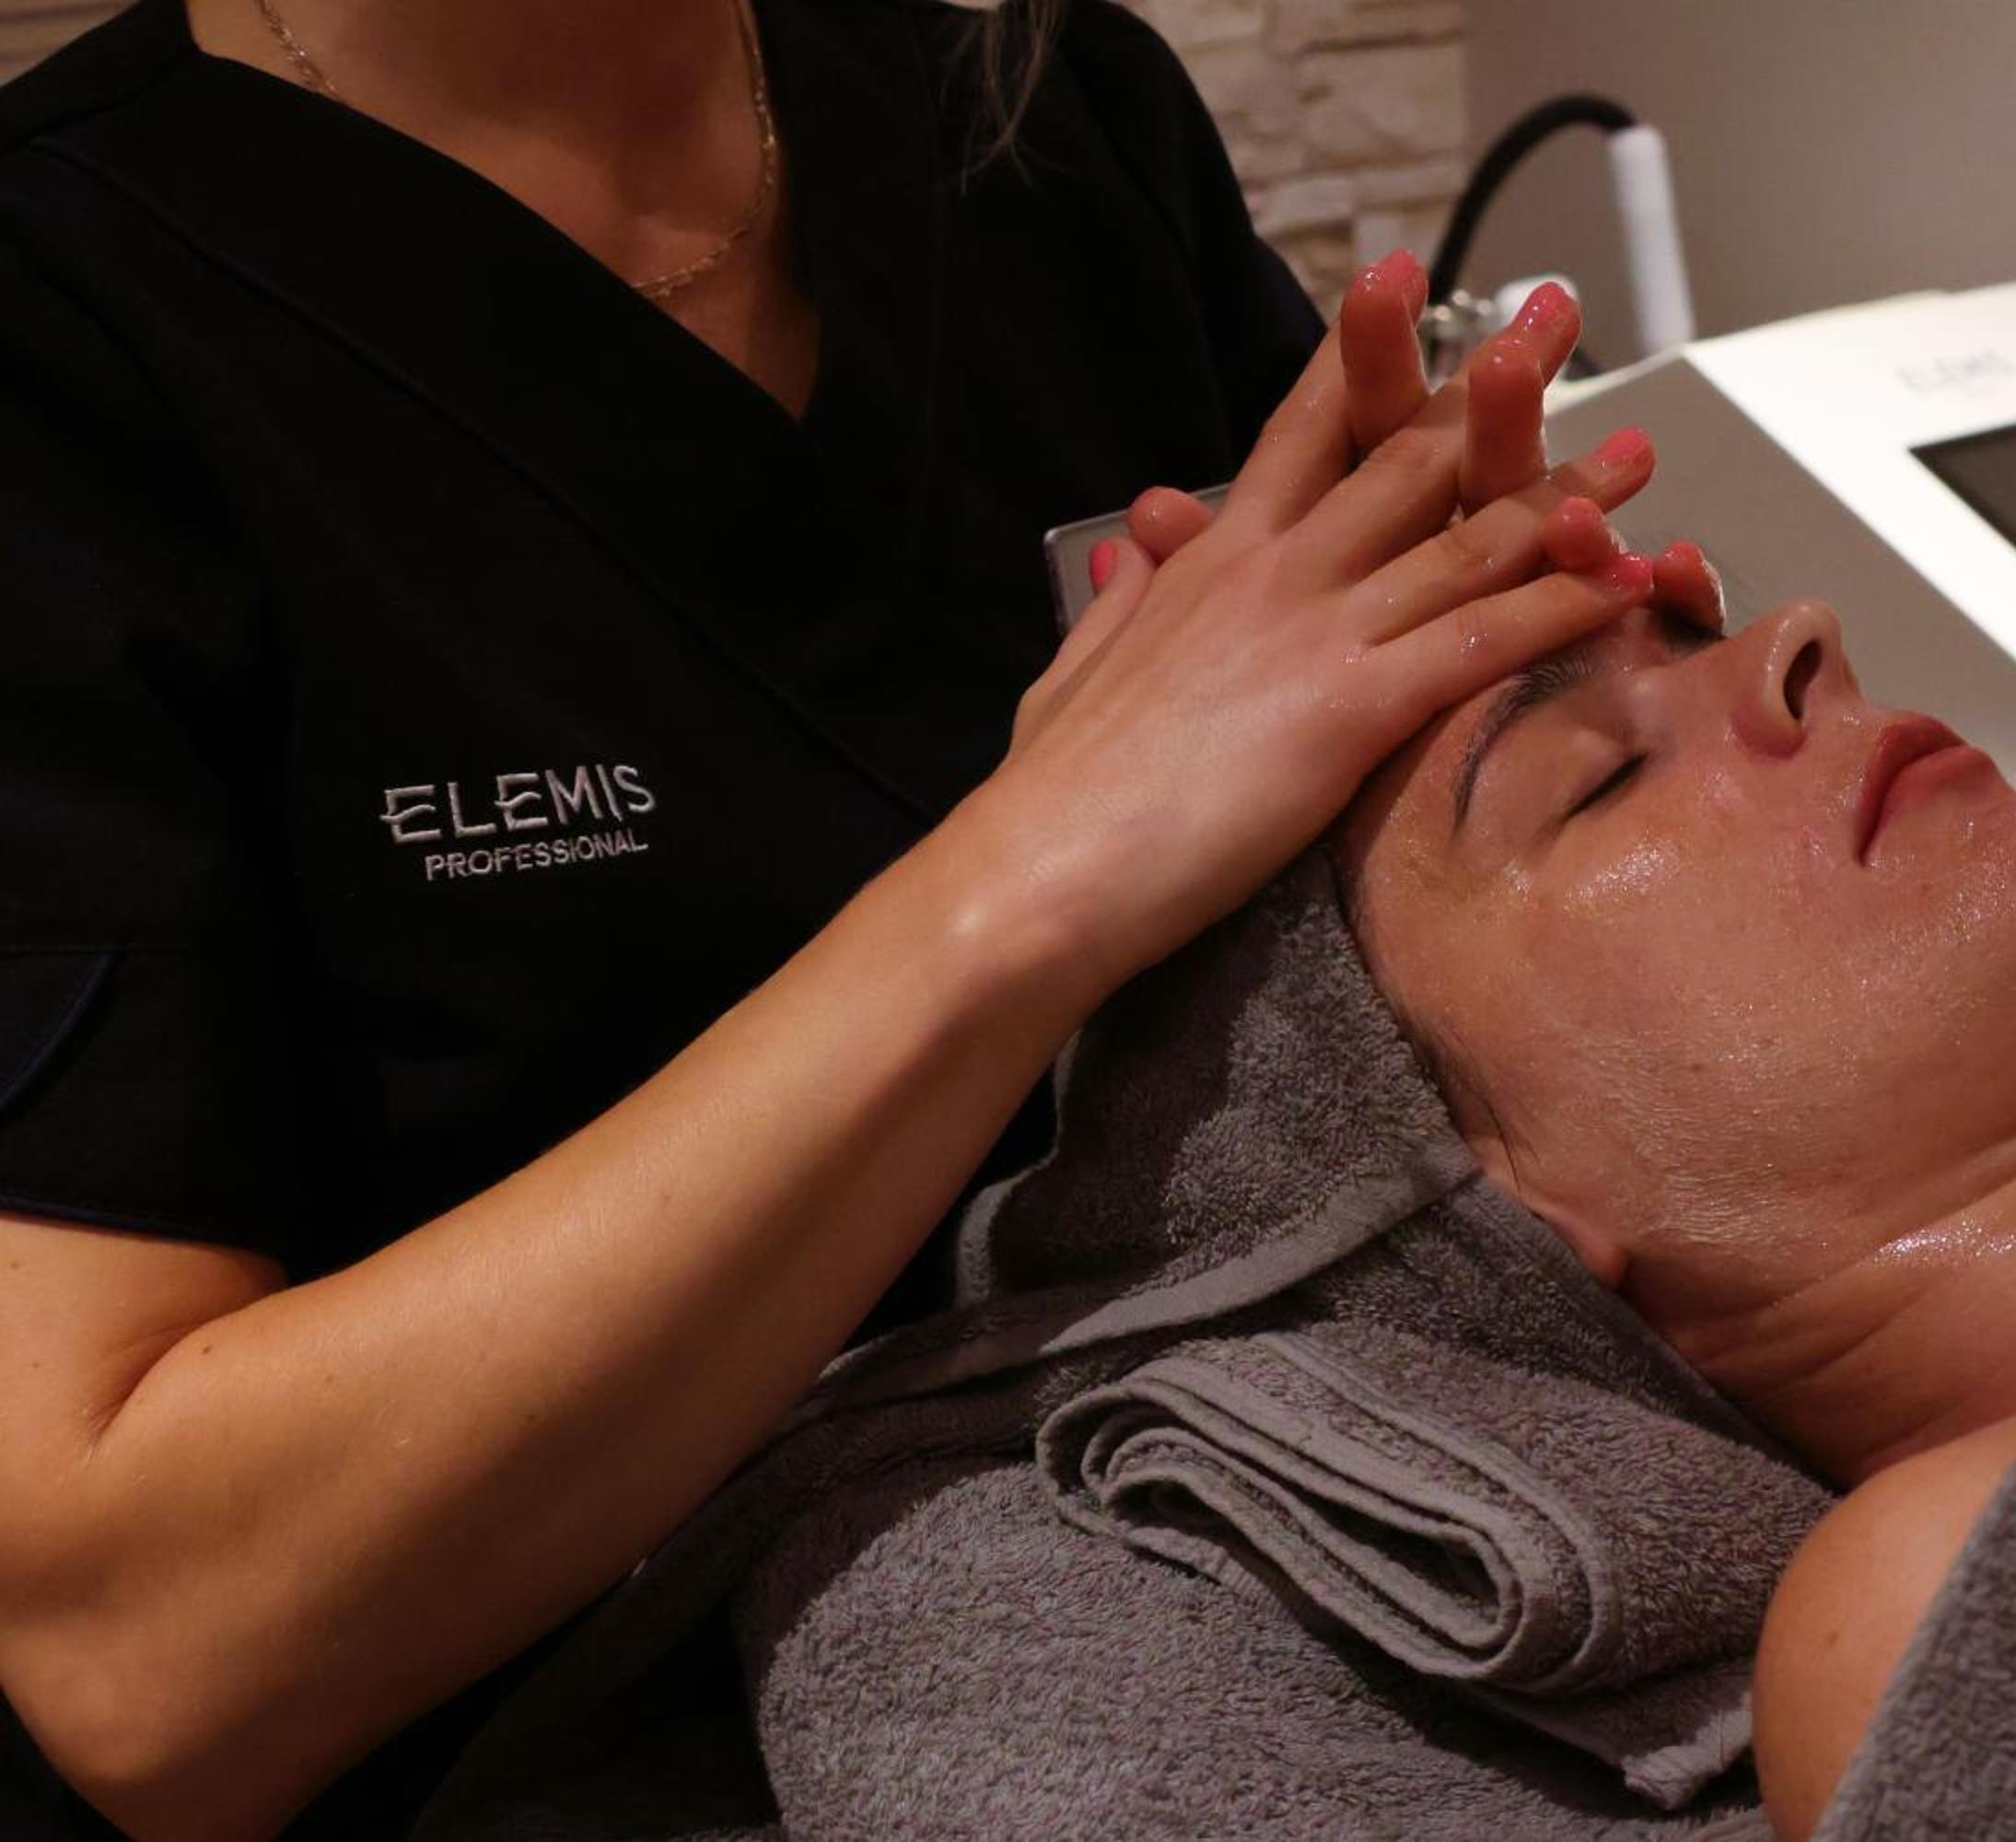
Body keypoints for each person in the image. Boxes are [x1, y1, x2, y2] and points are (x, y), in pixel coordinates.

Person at [0, 1, 1675, 1836]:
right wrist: (1027, 880)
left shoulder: (1058, 122)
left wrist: (1526, 731)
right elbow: (143, 1659)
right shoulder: (63, 318)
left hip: (1298, 1591)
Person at [1323, 593, 2016, 1835]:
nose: (1798, 634)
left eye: (1702, 638)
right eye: (1601, 776)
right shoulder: (1987, 1600)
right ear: (1502, 1214)